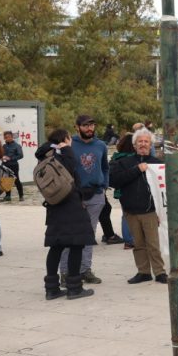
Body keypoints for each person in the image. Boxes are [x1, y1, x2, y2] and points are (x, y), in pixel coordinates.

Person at [35, 130, 96, 300]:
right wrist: (68, 150)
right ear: (66, 139)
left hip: (54, 206)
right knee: (76, 245)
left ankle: (51, 289)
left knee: (56, 247)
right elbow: (69, 172)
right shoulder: (63, 153)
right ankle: (74, 288)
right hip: (71, 206)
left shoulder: (45, 154)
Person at [57, 115, 109, 285]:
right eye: (85, 125)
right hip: (73, 196)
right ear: (77, 127)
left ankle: (85, 269)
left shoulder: (101, 145)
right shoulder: (69, 144)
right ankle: (65, 272)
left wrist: (104, 185)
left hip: (96, 194)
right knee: (70, 234)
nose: (89, 128)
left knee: (89, 235)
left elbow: (105, 167)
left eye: (92, 125)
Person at [109, 130, 166, 284]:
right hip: (131, 211)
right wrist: (137, 170)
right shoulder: (123, 163)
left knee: (153, 244)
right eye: (140, 141)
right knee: (138, 244)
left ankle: (160, 272)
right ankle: (143, 272)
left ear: (151, 145)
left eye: (146, 141)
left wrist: (161, 211)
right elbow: (114, 181)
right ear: (134, 145)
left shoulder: (158, 164)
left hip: (150, 211)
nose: (143, 144)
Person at [2, 130, 24, 202]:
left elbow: (20, 155)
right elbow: (1, 154)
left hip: (13, 165)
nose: (6, 138)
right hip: (5, 165)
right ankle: (8, 196)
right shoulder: (4, 146)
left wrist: (10, 158)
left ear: (12, 137)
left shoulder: (17, 146)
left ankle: (21, 195)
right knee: (6, 180)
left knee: (16, 180)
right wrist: (2, 157)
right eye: (5, 137)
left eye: (8, 137)